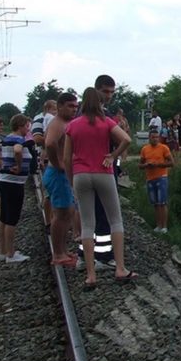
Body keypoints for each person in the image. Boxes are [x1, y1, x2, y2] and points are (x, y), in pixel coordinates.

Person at [65, 87, 135, 287]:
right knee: (115, 220)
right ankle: (121, 269)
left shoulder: (73, 126)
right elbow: (126, 139)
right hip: (103, 173)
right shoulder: (106, 122)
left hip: (81, 175)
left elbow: (66, 157)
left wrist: (72, 180)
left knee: (88, 225)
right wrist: (112, 156)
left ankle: (91, 275)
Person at [0, 114, 33, 263]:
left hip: (3, 180)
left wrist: (5, 161)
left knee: (4, 217)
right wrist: (19, 166)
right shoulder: (19, 140)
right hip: (14, 183)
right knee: (12, 219)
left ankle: (3, 251)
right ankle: (11, 254)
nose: (28, 129)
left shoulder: (6, 138)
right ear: (21, 126)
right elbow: (17, 150)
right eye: (27, 126)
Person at [44, 92, 80, 266]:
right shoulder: (58, 123)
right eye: (70, 106)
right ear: (59, 106)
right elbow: (50, 143)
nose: (74, 109)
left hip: (61, 174)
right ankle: (58, 254)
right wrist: (57, 163)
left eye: (75, 106)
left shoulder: (65, 123)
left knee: (67, 213)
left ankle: (63, 251)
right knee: (61, 214)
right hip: (58, 174)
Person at [139, 128, 174, 233]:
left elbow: (171, 163)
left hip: (161, 176)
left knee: (162, 202)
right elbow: (140, 165)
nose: (155, 139)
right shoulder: (145, 149)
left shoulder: (164, 148)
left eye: (156, 137)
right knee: (155, 203)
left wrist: (158, 164)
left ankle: (164, 226)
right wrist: (146, 165)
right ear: (149, 138)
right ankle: (158, 225)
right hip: (150, 178)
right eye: (153, 137)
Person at [32, 100, 57, 226]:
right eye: (55, 109)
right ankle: (50, 220)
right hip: (47, 158)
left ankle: (54, 219)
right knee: (49, 191)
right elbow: (37, 138)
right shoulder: (41, 119)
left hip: (52, 157)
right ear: (47, 109)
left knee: (52, 190)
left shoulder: (53, 119)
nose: (56, 111)